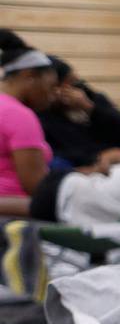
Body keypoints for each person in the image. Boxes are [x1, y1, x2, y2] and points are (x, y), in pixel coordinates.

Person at [38, 57, 120, 169]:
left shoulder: (92, 98)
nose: (74, 90)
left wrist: (89, 107)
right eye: (66, 85)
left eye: (75, 83)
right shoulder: (43, 115)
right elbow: (60, 154)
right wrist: (100, 157)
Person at [0, 47, 56, 217]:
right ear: (29, 76)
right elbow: (36, 187)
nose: (51, 96)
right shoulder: (19, 115)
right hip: (14, 216)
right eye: (51, 86)